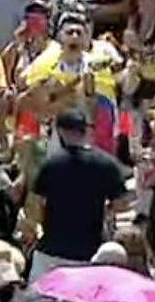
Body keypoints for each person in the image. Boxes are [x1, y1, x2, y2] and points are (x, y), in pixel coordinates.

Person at [30, 108, 128, 278]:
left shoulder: (50, 164)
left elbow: (35, 206)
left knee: (40, 300)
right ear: (86, 130)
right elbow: (122, 203)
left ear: (60, 131)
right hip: (89, 251)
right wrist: (106, 210)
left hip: (52, 250)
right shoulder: (106, 164)